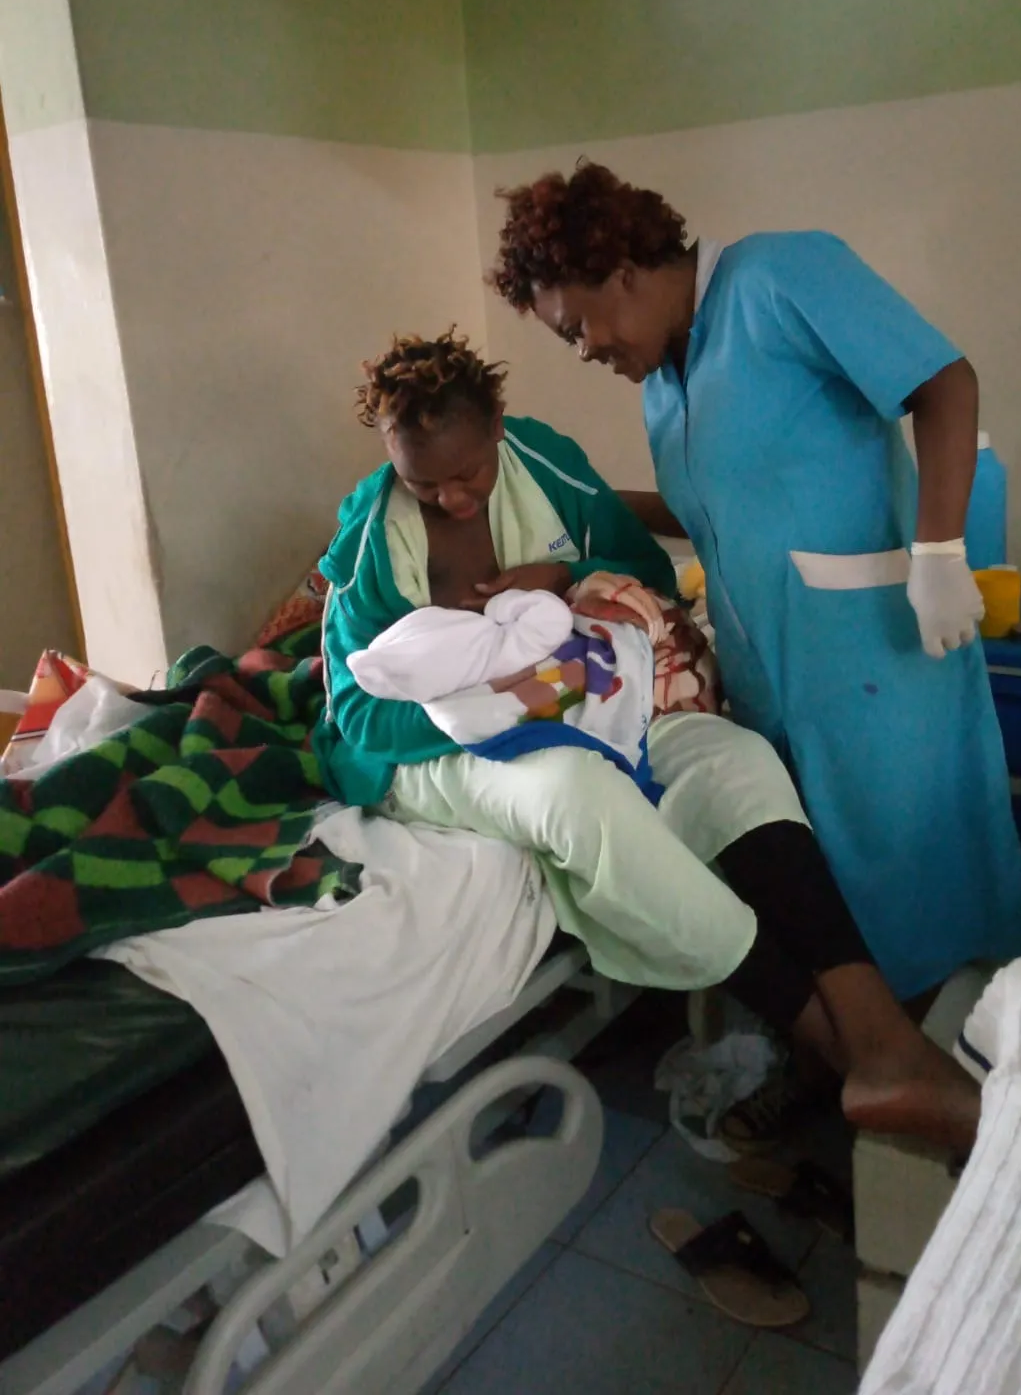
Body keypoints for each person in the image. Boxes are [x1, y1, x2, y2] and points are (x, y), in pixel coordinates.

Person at [314, 331, 983, 1150]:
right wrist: (502, 700)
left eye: (469, 475)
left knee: (734, 761)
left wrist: (562, 582)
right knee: (580, 794)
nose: (452, 499)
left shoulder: (545, 464)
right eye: (425, 483)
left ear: (498, 427)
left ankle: (881, 1033)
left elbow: (646, 575)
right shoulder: (371, 543)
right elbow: (359, 712)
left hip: (591, 695)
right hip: (433, 746)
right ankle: (838, 1046)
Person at [488, 164, 1021, 1008]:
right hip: (768, 674)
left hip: (879, 658)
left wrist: (939, 551)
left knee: (923, 873)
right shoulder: (667, 384)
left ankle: (980, 1066)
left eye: (576, 328)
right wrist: (561, 512)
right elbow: (709, 507)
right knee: (828, 891)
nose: (587, 349)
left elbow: (943, 382)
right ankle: (864, 1067)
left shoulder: (778, 277)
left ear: (622, 273)